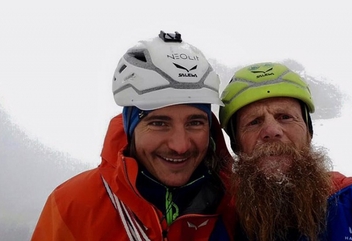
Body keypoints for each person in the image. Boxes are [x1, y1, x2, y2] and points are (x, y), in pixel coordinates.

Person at [31, 31, 237, 241]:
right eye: (159, 123)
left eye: (195, 123)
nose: (180, 146)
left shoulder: (239, 206)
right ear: (130, 127)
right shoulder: (71, 206)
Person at [219, 62, 352, 241]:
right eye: (254, 122)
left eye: (285, 117)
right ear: (237, 145)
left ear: (308, 133)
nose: (272, 131)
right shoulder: (219, 220)